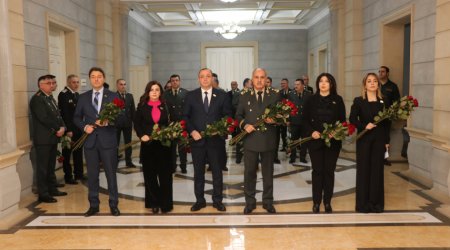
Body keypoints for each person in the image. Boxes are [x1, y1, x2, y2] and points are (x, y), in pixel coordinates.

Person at [73, 67, 121, 217]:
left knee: (111, 175)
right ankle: (94, 205)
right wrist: (85, 126)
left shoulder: (113, 96)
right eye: (93, 77)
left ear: (104, 78)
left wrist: (108, 121)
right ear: (89, 79)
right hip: (90, 142)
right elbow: (76, 117)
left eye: (99, 76)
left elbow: (122, 118)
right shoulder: (83, 97)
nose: (96, 79)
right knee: (92, 176)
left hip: (108, 142)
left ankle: (114, 204)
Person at [183, 68, 231, 212]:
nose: (205, 79)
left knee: (217, 172)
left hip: (216, 141)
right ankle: (199, 200)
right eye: (202, 76)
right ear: (198, 79)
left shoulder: (222, 95)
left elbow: (228, 116)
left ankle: (217, 200)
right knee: (198, 173)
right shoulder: (191, 96)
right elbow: (185, 117)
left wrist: (220, 129)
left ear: (212, 78)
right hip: (197, 142)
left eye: (208, 76)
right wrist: (192, 131)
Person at [236, 68, 280, 214]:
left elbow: (282, 115)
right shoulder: (244, 95)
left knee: (268, 173)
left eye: (262, 77)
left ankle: (268, 202)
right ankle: (250, 202)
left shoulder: (274, 95)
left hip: (268, 140)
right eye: (256, 77)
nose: (259, 80)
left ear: (266, 79)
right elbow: (238, 116)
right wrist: (244, 125)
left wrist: (275, 120)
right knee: (249, 173)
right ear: (252, 79)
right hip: (250, 140)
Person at [302, 72, 346, 214]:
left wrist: (336, 131)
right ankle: (316, 202)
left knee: (329, 172)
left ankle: (327, 202)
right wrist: (311, 132)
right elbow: (305, 121)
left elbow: (343, 121)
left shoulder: (338, 100)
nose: (323, 83)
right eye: (321, 81)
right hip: (315, 142)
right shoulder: (310, 100)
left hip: (332, 143)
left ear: (331, 84)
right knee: (317, 172)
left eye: (326, 81)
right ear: (318, 84)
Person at [349, 73, 390, 213]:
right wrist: (364, 126)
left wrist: (386, 141)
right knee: (364, 171)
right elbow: (352, 119)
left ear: (378, 84)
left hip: (379, 140)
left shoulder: (383, 101)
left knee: (377, 171)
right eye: (369, 81)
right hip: (364, 140)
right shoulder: (359, 101)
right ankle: (363, 205)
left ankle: (376, 204)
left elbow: (386, 123)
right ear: (365, 85)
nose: (372, 83)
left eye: (374, 81)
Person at [134, 81, 173, 214]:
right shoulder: (142, 106)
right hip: (148, 145)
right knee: (150, 176)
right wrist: (141, 135)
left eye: (157, 89)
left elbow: (172, 122)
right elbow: (137, 124)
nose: (154, 92)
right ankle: (154, 203)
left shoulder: (166, 106)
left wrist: (169, 132)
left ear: (161, 92)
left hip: (164, 145)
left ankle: (166, 204)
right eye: (152, 90)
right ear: (148, 92)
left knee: (165, 176)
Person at [29, 75, 67, 203]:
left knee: (50, 166)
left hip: (52, 138)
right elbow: (43, 118)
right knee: (43, 168)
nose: (52, 85)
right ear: (41, 85)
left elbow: (58, 115)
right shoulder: (37, 99)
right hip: (43, 139)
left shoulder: (50, 98)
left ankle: (52, 189)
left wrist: (63, 127)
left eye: (53, 82)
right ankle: (43, 194)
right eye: (49, 83)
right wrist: (58, 128)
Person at [58, 74, 84, 184]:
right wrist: (68, 130)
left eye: (77, 82)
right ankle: (68, 176)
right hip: (69, 130)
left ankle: (79, 174)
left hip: (78, 129)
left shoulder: (77, 95)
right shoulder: (63, 95)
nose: (76, 84)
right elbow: (65, 114)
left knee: (78, 152)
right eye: (74, 82)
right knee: (67, 154)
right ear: (68, 83)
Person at [164, 74, 188, 173]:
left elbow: (188, 109)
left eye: (176, 80)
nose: (174, 82)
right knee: (172, 148)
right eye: (172, 80)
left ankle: (183, 166)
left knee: (182, 147)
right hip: (171, 125)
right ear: (170, 82)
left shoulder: (186, 93)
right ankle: (172, 166)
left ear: (179, 81)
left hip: (182, 124)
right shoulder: (165, 94)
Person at [378, 66, 400, 166]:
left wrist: (393, 112)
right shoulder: (376, 85)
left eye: (382, 72)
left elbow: (397, 102)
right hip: (375, 117)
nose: (380, 73)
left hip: (387, 117)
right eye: (379, 71)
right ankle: (375, 157)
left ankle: (384, 158)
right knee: (376, 137)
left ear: (387, 73)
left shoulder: (393, 86)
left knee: (386, 138)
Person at [288, 78, 311, 164]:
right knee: (294, 140)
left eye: (297, 84)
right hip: (294, 121)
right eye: (295, 84)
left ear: (302, 85)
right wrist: (288, 120)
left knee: (304, 141)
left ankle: (302, 157)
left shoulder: (308, 95)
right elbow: (288, 108)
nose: (295, 86)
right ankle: (292, 157)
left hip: (305, 122)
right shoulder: (291, 94)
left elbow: (310, 109)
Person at [116, 78, 136, 168]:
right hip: (116, 124)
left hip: (127, 123)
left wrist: (134, 124)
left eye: (124, 84)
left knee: (128, 143)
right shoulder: (113, 96)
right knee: (115, 143)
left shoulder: (130, 96)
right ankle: (115, 161)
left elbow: (133, 111)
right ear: (117, 85)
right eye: (121, 84)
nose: (123, 86)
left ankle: (129, 161)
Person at [228, 81, 243, 164]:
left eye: (234, 84)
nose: (233, 86)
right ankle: (234, 141)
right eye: (232, 84)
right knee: (233, 131)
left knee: (238, 133)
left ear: (237, 85)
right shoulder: (228, 93)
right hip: (232, 116)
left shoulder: (240, 93)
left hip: (239, 116)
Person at [277, 78, 291, 155]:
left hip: (289, 116)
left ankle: (290, 147)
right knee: (283, 132)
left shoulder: (292, 92)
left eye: (284, 83)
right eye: (281, 83)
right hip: (281, 116)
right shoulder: (279, 92)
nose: (282, 85)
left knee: (290, 133)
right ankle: (284, 146)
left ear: (287, 83)